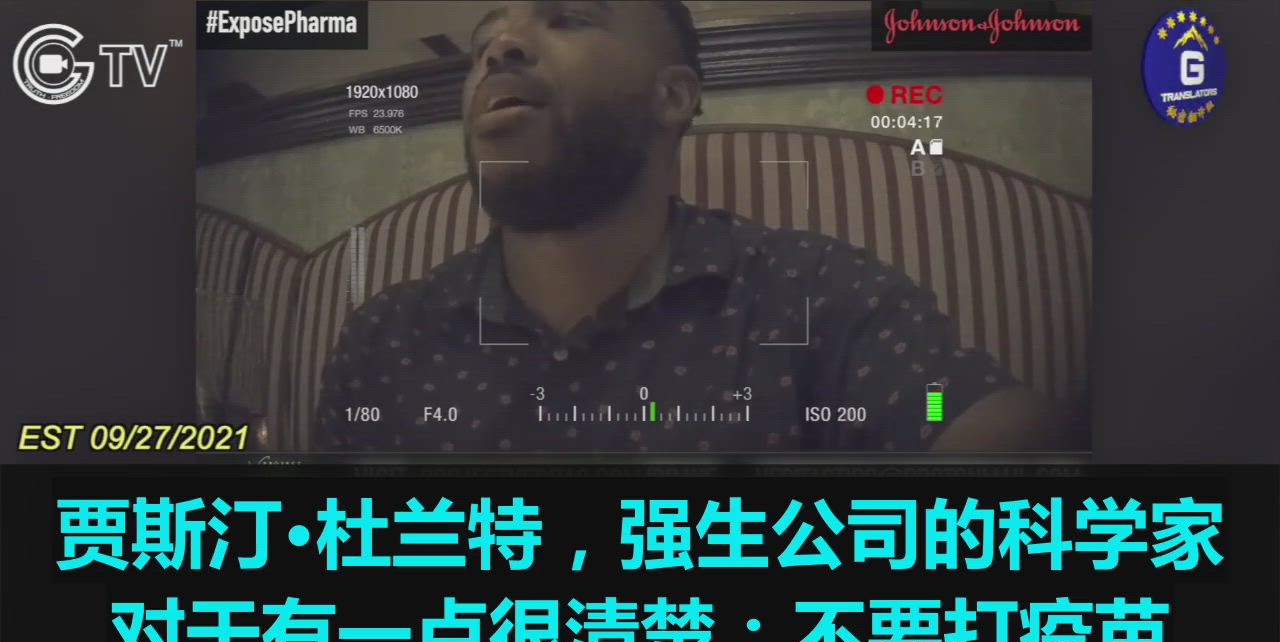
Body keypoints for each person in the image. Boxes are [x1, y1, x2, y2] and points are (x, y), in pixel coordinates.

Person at [315, 0, 1065, 453]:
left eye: (569, 17)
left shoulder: (813, 295)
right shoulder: (383, 340)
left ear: (673, 98)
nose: (497, 53)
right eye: (483, 47)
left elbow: (975, 421)